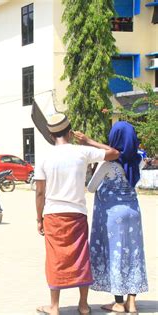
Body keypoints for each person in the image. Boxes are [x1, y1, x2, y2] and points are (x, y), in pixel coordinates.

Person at [34, 113, 119, 315]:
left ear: (50, 134)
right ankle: (83, 305)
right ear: (70, 131)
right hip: (77, 214)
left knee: (55, 259)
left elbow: (39, 192)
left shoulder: (44, 156)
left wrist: (39, 218)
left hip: (53, 214)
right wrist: (89, 140)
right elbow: (114, 153)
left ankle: (54, 306)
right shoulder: (82, 151)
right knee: (81, 257)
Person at [88, 121, 148, 313]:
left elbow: (90, 187)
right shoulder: (137, 159)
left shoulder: (108, 164)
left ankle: (118, 303)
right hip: (133, 213)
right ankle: (132, 302)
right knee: (133, 254)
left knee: (116, 254)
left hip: (113, 216)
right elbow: (128, 154)